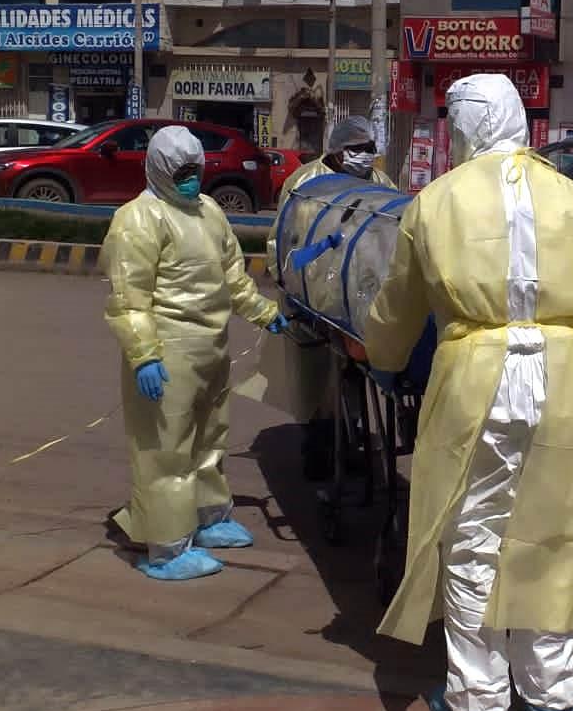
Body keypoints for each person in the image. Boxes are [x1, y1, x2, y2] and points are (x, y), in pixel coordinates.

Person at [364, 73, 573, 711]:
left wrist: (381, 357)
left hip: (477, 376)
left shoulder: (435, 201)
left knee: (472, 535)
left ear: (465, 126)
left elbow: (396, 309)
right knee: (555, 535)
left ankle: (478, 701)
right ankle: (551, 695)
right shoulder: (570, 193)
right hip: (565, 377)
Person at [103, 125, 287, 581]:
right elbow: (130, 298)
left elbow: (232, 277)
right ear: (160, 168)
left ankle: (208, 517)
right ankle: (166, 546)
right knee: (167, 452)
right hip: (168, 354)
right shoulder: (139, 218)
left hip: (211, 349)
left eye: (195, 169)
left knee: (209, 441)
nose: (190, 178)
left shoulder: (208, 212)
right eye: (180, 171)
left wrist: (264, 312)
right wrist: (144, 355)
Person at [267, 114, 395, 481]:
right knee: (317, 381)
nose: (366, 156)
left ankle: (350, 442)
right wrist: (295, 290)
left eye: (371, 148)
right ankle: (319, 448)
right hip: (314, 296)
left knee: (353, 379)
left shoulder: (381, 182)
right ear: (337, 152)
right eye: (358, 149)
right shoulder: (307, 184)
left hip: (356, 298)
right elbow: (285, 240)